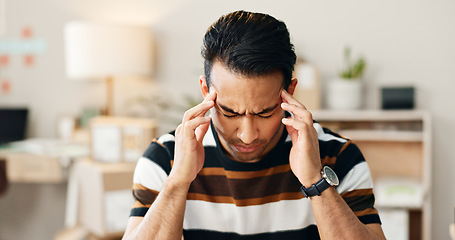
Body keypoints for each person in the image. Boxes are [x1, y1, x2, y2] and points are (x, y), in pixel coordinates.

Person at [123, 10, 385, 240]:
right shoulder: (165, 157)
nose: (247, 135)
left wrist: (315, 180)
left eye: (264, 113)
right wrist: (178, 181)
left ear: (290, 92)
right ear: (205, 91)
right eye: (229, 112)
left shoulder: (339, 155)